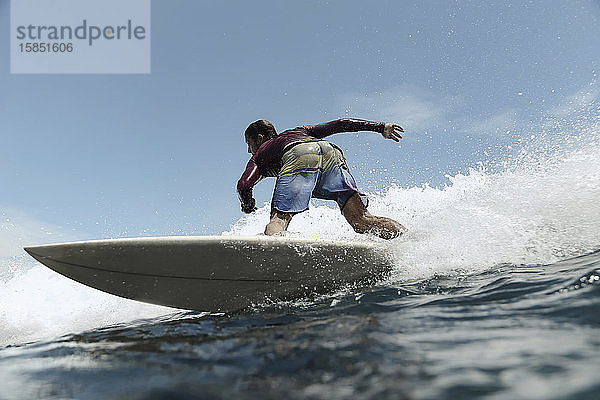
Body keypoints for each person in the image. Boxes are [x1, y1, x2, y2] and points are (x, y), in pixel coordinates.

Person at [237, 118, 407, 239]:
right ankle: (411, 241)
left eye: (248, 143)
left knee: (279, 219)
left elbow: (243, 186)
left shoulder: (260, 154)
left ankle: (272, 263)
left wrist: (247, 204)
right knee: (362, 221)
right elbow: (340, 124)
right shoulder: (300, 130)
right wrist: (381, 127)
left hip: (298, 154)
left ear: (260, 138)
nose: (249, 150)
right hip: (331, 153)